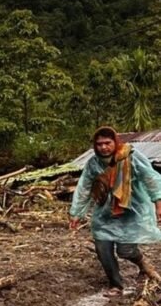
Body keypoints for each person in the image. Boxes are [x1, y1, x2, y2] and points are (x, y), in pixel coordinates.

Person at [68, 126, 161, 296]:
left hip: (132, 210)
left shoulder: (131, 156)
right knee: (102, 247)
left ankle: (143, 264)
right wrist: (77, 214)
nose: (103, 147)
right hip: (105, 212)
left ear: (115, 142)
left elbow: (151, 178)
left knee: (125, 251)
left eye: (107, 143)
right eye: (99, 144)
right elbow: (84, 188)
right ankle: (116, 285)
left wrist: (158, 202)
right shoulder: (93, 163)